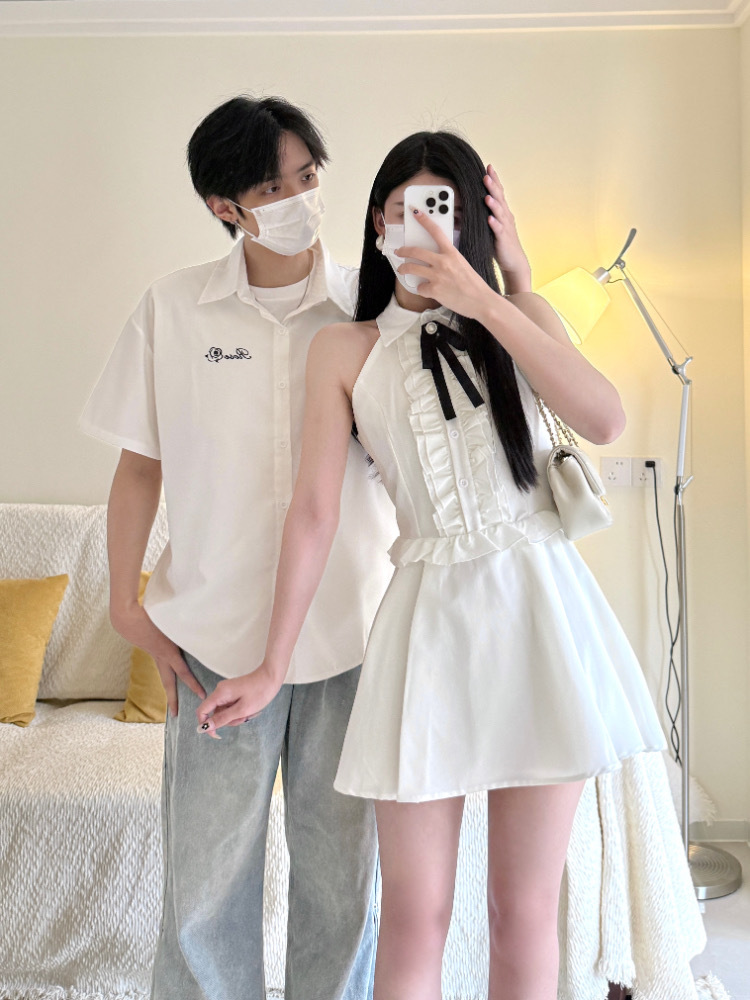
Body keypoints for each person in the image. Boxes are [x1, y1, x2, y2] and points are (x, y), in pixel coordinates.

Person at [197, 130, 668, 1000]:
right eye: (404, 207)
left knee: (523, 912)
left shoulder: (521, 317)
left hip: (540, 614)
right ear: (379, 223)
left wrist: (494, 291)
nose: (422, 225)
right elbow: (313, 513)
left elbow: (605, 420)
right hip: (427, 626)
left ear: (475, 223)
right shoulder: (345, 350)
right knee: (416, 913)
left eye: (442, 207)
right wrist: (270, 665)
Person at [79, 95, 408, 1000]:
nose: (302, 199)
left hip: (354, 632)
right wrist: (124, 606)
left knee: (343, 887)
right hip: (215, 643)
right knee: (203, 890)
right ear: (225, 205)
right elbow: (138, 467)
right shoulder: (172, 310)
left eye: (309, 176)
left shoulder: (372, 307)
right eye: (273, 187)